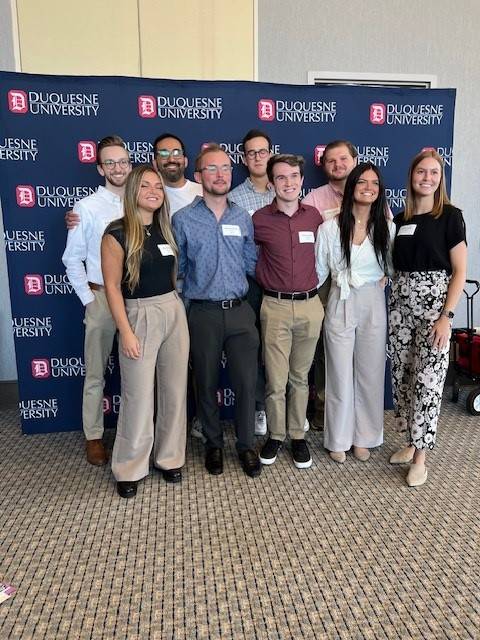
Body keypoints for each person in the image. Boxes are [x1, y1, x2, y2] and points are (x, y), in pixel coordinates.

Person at [172, 143, 262, 478]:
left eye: (225, 168)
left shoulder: (242, 217)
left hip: (240, 311)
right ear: (198, 176)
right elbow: (177, 269)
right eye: (212, 169)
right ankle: (212, 443)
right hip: (203, 312)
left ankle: (245, 445)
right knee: (205, 381)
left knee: (246, 382)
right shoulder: (182, 220)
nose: (220, 174)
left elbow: (251, 263)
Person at [101, 164, 189, 498]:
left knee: (174, 391)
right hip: (138, 314)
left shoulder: (166, 228)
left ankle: (168, 459)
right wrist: (125, 331)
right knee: (138, 395)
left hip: (172, 310)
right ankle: (130, 467)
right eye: (145, 186)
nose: (153, 191)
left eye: (158, 186)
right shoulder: (117, 233)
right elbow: (111, 287)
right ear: (132, 190)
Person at [388, 149, 467, 487]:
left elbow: (460, 271)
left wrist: (446, 316)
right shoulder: (400, 219)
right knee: (403, 377)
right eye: (422, 171)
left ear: (440, 179)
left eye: (434, 173)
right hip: (400, 308)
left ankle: (422, 457)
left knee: (429, 381)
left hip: (434, 308)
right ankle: (410, 441)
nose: (427, 178)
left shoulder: (450, 216)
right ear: (412, 176)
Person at [315, 162, 394, 464]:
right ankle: (338, 437)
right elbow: (319, 273)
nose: (369, 188)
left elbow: (390, 268)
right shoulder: (329, 228)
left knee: (370, 372)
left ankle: (365, 436)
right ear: (351, 187)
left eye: (374, 183)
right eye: (362, 182)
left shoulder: (387, 227)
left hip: (373, 301)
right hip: (340, 299)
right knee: (338, 372)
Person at [62, 135, 132, 465]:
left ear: (130, 164)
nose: (118, 168)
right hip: (102, 297)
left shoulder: (141, 202)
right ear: (100, 167)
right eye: (110, 162)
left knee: (138, 371)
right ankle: (93, 436)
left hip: (135, 299)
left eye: (123, 161)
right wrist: (88, 299)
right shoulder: (85, 208)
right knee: (95, 374)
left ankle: (135, 434)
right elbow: (71, 259)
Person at [253, 154, 324, 469]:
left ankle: (297, 436)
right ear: (271, 183)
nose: (288, 182)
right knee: (276, 379)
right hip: (276, 307)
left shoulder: (315, 218)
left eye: (294, 176)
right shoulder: (258, 219)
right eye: (281, 177)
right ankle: (276, 435)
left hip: (311, 306)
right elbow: (244, 256)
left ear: (302, 180)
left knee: (300, 377)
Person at [303, 141, 358, 430]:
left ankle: (358, 413)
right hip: (327, 283)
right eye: (331, 161)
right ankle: (325, 410)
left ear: (355, 159)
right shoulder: (314, 200)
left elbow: (385, 237)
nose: (338, 164)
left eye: (343, 158)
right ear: (324, 166)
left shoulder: (371, 192)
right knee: (329, 350)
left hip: (363, 286)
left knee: (362, 351)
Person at [229, 129, 274, 437]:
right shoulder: (233, 198)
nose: (257, 157)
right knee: (252, 348)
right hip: (249, 284)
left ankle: (280, 408)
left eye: (262, 151)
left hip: (283, 282)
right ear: (244, 159)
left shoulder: (285, 189)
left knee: (278, 349)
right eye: (251, 153)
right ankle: (259, 408)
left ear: (270, 153)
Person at [152, 133, 203, 215]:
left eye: (176, 153)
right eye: (164, 154)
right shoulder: (149, 195)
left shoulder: (203, 192)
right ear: (155, 164)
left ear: (185, 161)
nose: (171, 159)